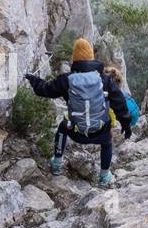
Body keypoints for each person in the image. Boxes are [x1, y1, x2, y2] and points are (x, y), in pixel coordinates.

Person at [25, 38, 131, 186]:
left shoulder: (66, 80)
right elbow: (120, 103)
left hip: (76, 132)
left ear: (74, 59)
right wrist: (126, 124)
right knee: (108, 141)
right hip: (100, 132)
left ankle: (56, 164)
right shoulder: (104, 80)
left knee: (62, 127)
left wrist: (34, 80)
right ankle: (104, 176)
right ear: (91, 58)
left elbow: (45, 90)